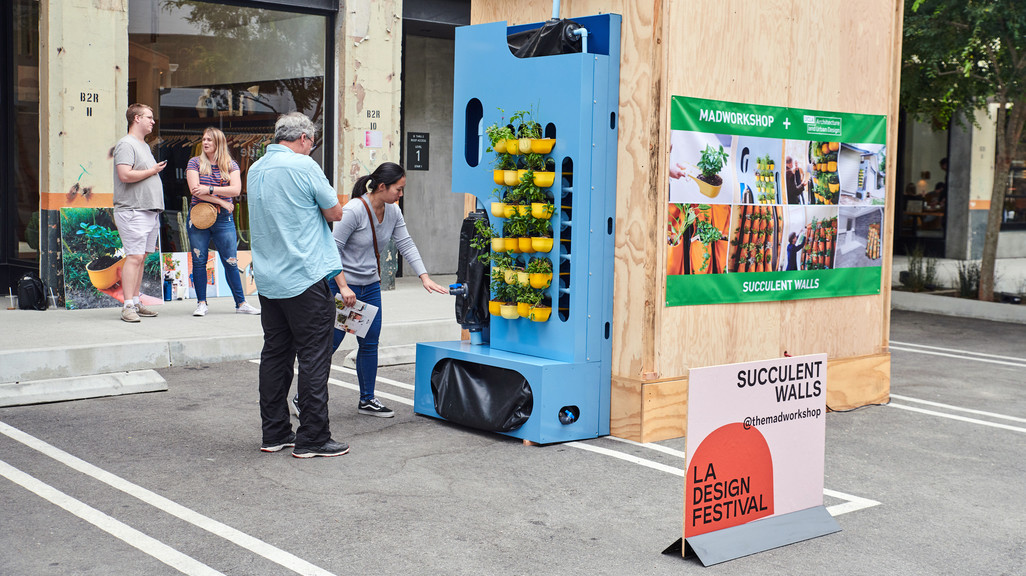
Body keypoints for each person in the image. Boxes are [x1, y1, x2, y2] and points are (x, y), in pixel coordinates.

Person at [248, 112, 347, 459]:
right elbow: (335, 212)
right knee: (313, 357)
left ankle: (274, 432)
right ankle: (313, 437)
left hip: (269, 278)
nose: (311, 148)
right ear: (304, 138)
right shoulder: (304, 167)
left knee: (275, 354)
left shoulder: (255, 169)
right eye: (312, 143)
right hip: (305, 275)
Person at [330, 162, 448, 417]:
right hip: (344, 287)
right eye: (399, 189)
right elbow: (332, 251)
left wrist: (424, 277)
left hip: (370, 286)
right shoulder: (353, 211)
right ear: (382, 186)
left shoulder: (393, 211)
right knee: (330, 343)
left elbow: (405, 242)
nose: (401, 195)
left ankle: (367, 399)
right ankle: (302, 398)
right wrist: (343, 286)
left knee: (369, 343)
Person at [185, 127, 260, 317]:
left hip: (223, 219)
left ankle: (241, 302)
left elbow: (235, 190)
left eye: (209, 139)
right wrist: (220, 200)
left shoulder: (230, 164)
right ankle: (201, 303)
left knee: (231, 261)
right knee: (199, 260)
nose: (205, 142)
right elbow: (194, 190)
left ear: (219, 143)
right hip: (199, 216)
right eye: (203, 139)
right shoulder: (194, 162)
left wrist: (209, 190)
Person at [113, 103, 166, 323]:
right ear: (136, 118)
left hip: (148, 210)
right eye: (149, 117)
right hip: (133, 210)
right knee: (134, 257)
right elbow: (124, 174)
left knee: (141, 258)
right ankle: (127, 306)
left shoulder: (143, 145)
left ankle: (135, 301)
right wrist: (153, 171)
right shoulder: (126, 144)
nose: (152, 121)